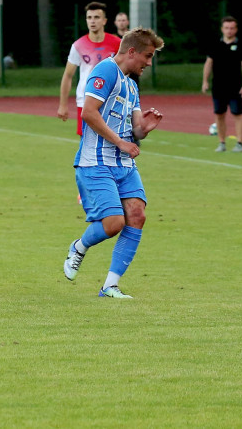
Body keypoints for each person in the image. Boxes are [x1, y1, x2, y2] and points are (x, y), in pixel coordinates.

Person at [63, 27, 165, 299]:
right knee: (113, 223)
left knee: (137, 216)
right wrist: (120, 143)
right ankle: (79, 247)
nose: (148, 62)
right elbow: (89, 113)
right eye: (147, 55)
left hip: (123, 165)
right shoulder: (105, 71)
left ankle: (110, 285)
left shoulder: (131, 85)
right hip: (96, 163)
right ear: (131, 51)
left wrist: (146, 127)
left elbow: (135, 130)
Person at [57, 2, 122, 136]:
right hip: (86, 100)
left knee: (113, 141)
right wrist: (63, 104)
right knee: (86, 142)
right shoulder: (78, 45)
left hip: (111, 99)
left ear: (104, 21)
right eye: (89, 17)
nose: (92, 21)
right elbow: (68, 75)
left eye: (97, 17)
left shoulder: (116, 43)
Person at [201, 16, 242, 153]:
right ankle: (222, 142)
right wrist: (205, 81)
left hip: (235, 87)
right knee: (219, 114)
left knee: (237, 114)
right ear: (222, 29)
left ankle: (239, 143)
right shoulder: (215, 45)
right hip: (218, 86)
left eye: (232, 28)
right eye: (227, 28)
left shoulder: (241, 46)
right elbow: (208, 64)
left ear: (236, 29)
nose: (229, 31)